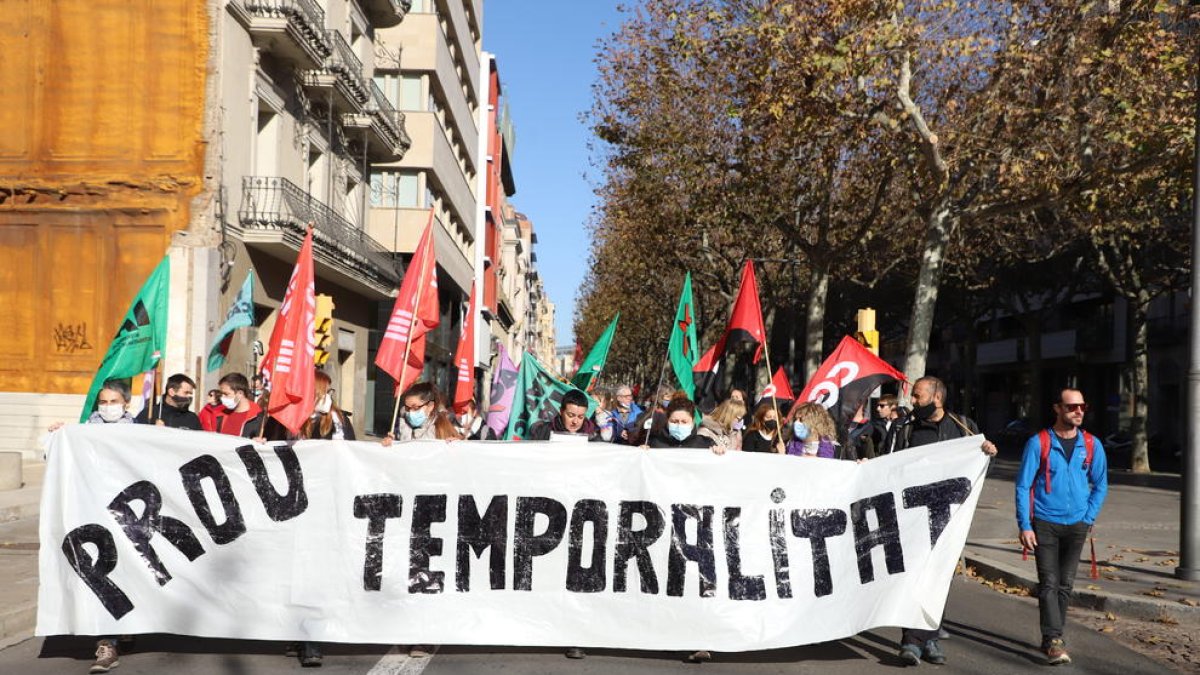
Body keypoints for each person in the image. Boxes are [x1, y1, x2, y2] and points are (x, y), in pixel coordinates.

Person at [895, 375, 997, 667]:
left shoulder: (963, 427)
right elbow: (890, 465)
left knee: (939, 579)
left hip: (950, 517)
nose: (913, 402)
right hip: (913, 516)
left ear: (937, 398)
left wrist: (988, 453)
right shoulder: (906, 429)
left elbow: (979, 467)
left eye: (918, 396)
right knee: (914, 576)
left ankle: (927, 638)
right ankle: (913, 640)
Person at [1015, 388, 1108, 666]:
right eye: (1072, 407)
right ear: (1057, 409)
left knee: (1065, 585)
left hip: (1078, 524)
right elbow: (1023, 486)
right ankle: (1055, 640)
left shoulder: (1091, 444)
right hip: (1044, 522)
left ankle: (1051, 637)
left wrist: (1088, 517)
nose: (1078, 411)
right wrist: (1025, 525)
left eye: (1082, 407)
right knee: (1049, 583)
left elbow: (1100, 484)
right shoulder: (1038, 443)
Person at [382, 382, 462, 446]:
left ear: (430, 406)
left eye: (415, 407)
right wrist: (389, 445)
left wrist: (457, 446)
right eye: (407, 408)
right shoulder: (399, 429)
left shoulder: (442, 428)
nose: (410, 412)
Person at [647, 395, 724, 453]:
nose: (679, 425)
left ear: (693, 421)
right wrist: (642, 452)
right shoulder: (655, 443)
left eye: (684, 422)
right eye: (674, 421)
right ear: (667, 420)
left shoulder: (705, 444)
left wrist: (719, 452)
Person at [134, 373, 201, 430]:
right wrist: (152, 430)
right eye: (186, 393)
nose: (189, 397)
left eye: (190, 394)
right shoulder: (149, 413)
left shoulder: (192, 419)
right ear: (171, 392)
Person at [527, 389, 597, 440]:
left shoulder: (593, 436)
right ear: (561, 411)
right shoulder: (543, 432)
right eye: (570, 415)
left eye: (580, 417)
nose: (575, 421)